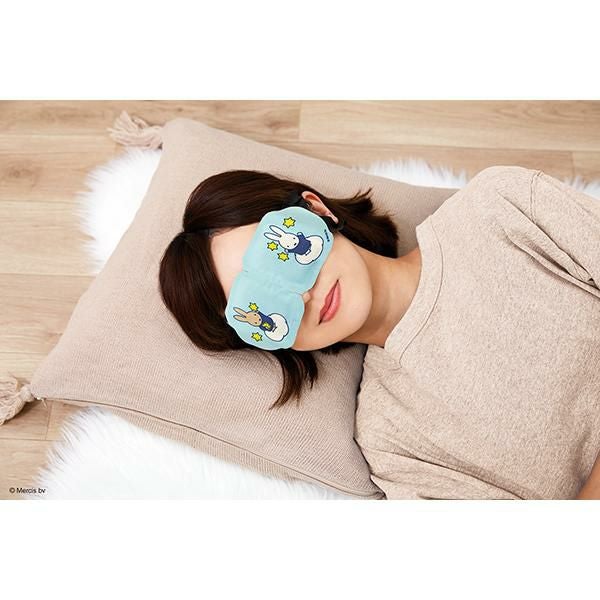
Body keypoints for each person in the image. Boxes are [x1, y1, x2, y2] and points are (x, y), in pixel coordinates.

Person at [159, 166, 600, 500]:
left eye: (279, 256)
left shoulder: (498, 209)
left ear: (315, 209)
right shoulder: (395, 447)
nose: (304, 297)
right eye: (264, 309)